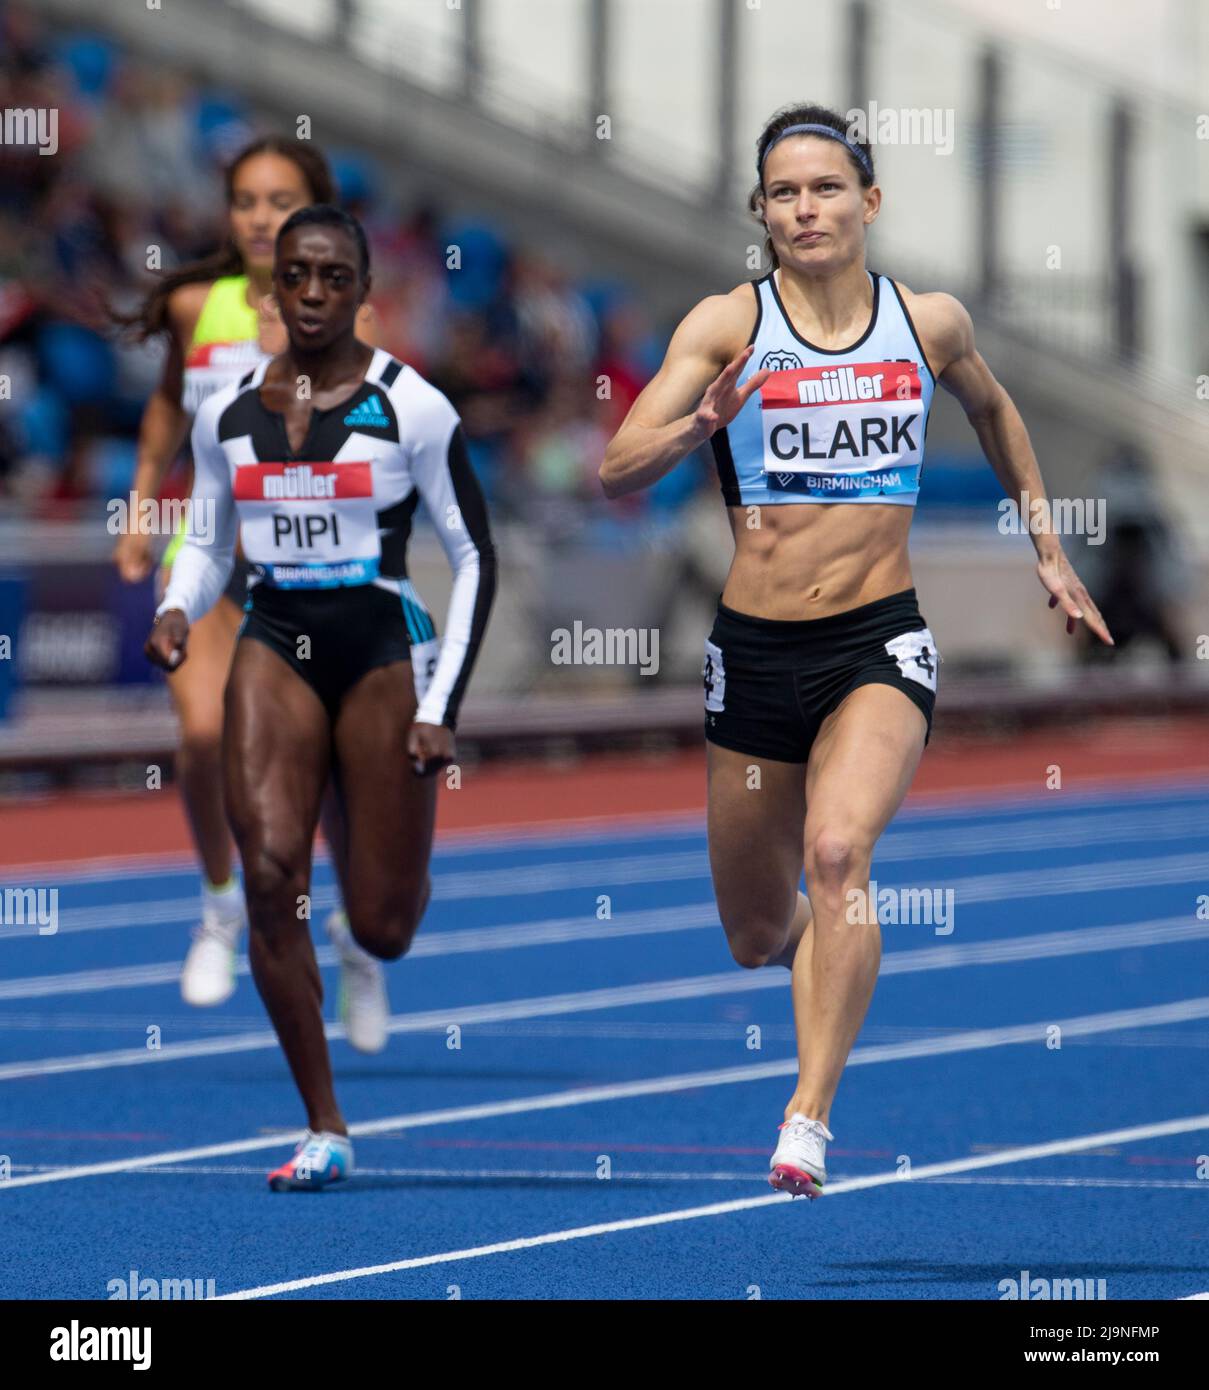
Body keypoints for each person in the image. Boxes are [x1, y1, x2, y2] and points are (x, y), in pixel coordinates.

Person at [600, 104, 1112, 1199]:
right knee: (752, 930)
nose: (805, 208)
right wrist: (697, 426)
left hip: (878, 642)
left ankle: (808, 1114)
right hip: (753, 652)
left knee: (839, 854)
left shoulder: (925, 322)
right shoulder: (725, 326)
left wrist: (1047, 545)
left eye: (826, 187)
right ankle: (827, 959)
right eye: (784, 193)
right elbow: (616, 464)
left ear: (868, 201)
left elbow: (997, 411)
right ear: (761, 212)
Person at [145, 204, 496, 1189]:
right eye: (294, 275)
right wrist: (179, 607)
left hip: (381, 648)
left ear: (362, 293)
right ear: (273, 288)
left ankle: (363, 906)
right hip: (275, 642)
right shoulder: (229, 417)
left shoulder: (412, 406)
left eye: (332, 277)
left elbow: (475, 556)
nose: (309, 293)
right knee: (267, 871)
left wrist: (442, 707)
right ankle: (324, 1122)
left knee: (385, 921)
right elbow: (211, 541)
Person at [113, 138, 408, 1048]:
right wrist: (138, 503)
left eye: (280, 200)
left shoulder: (345, 316)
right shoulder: (199, 305)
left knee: (326, 784)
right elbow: (169, 403)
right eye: (244, 199)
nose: (256, 216)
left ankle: (355, 942)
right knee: (202, 736)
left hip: (314, 574)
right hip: (210, 564)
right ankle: (217, 904)